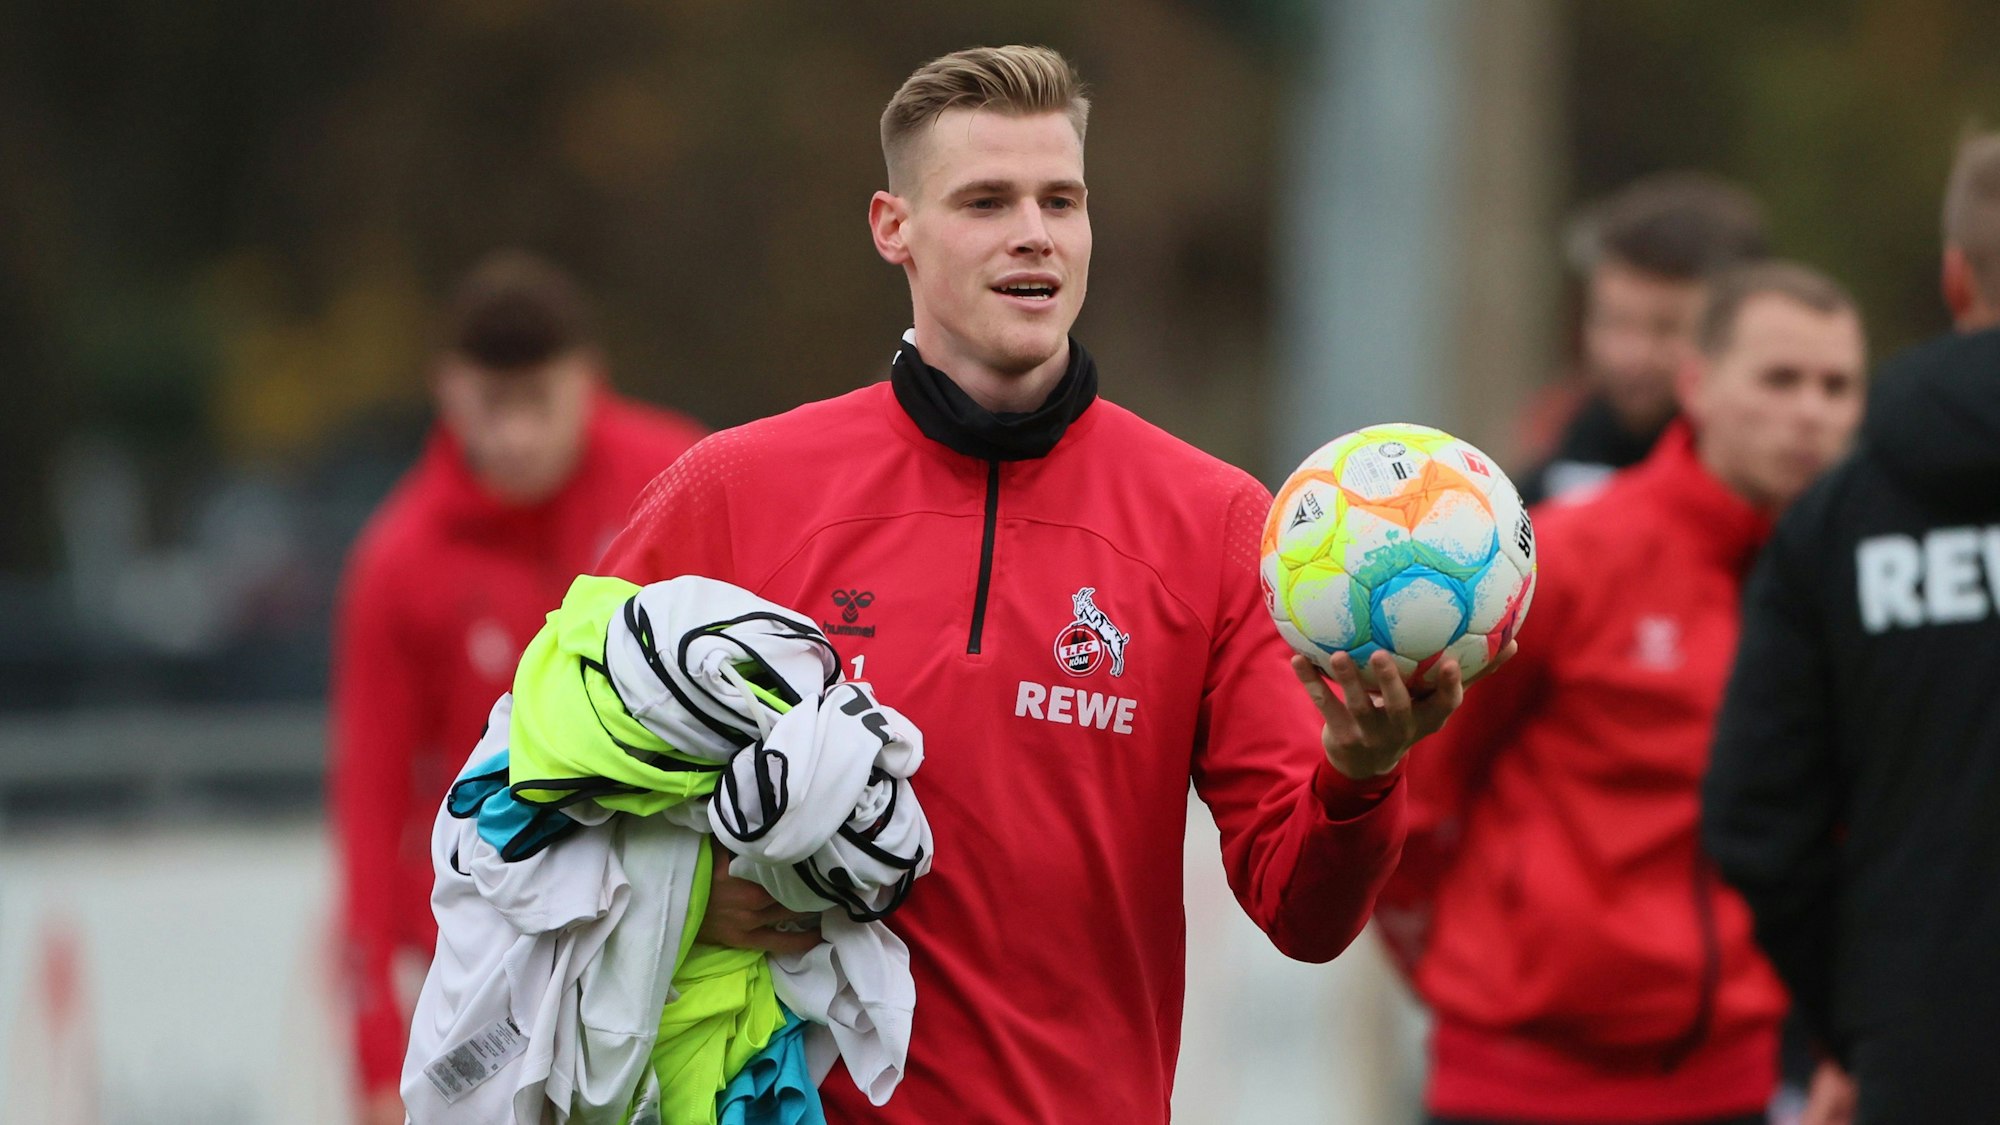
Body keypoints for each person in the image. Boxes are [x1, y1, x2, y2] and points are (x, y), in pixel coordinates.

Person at [594, 45, 1494, 1123]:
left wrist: (1360, 775)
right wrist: (687, 897)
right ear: (894, 229)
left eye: (1058, 200)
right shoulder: (735, 490)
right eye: (984, 200)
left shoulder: (1211, 523)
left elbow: (1301, 918)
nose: (1033, 230)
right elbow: (534, 792)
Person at [1380, 261, 1868, 1125]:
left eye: (1837, 386)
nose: (1810, 412)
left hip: (1734, 1087)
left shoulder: (1852, 585)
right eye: (1780, 378)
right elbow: (1416, 786)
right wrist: (1470, 974)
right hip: (1518, 1086)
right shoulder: (1573, 557)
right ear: (1698, 385)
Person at [329, 251, 707, 1125]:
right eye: (492, 406)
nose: (517, 436)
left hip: (669, 958)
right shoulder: (398, 562)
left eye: (539, 402)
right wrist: (378, 1052)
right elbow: (370, 805)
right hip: (489, 982)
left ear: (589, 382)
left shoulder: (677, 482)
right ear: (448, 392)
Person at [1703, 132, 2000, 1123]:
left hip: (1925, 1056)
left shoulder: (1833, 521)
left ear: (1954, 278)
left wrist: (1858, 1021)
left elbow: (1754, 823)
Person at [1517, 172, 1769, 505]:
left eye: (1667, 328)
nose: (1630, 355)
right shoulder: (1553, 473)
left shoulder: (1792, 493)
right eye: (1614, 322)